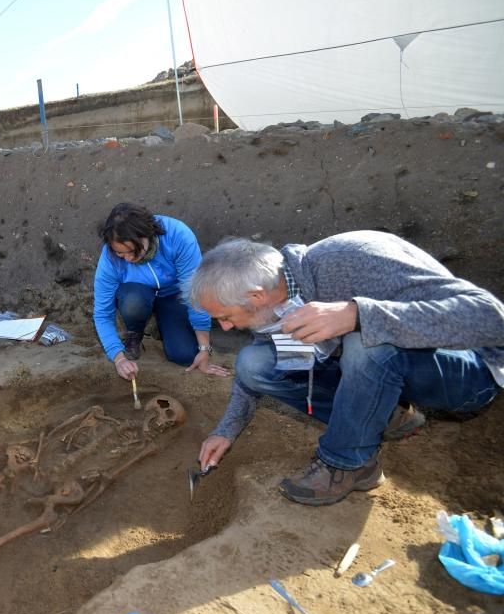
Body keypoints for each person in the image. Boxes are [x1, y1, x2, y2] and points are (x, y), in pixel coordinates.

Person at [188, 232, 504, 506]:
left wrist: (357, 314)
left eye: (225, 317)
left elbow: (491, 319)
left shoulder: (353, 257)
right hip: (390, 371)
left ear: (255, 295)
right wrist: (226, 430)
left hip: (471, 376)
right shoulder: (273, 300)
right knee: (254, 363)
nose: (225, 328)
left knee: (366, 342)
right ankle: (388, 416)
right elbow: (264, 365)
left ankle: (347, 463)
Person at [93, 203, 230, 383]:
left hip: (174, 295)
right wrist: (119, 358)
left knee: (184, 355)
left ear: (147, 236)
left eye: (132, 251)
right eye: (120, 253)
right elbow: (102, 313)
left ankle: (165, 323)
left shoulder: (178, 235)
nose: (127, 258)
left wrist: (204, 349)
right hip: (136, 294)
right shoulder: (110, 257)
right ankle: (135, 332)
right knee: (133, 301)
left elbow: (195, 293)